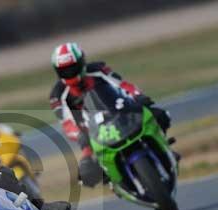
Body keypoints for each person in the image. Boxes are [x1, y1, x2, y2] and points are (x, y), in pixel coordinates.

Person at [49, 42, 176, 187]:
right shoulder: (57, 94)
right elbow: (66, 123)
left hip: (119, 111)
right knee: (86, 174)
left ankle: (164, 146)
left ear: (81, 62)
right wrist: (80, 135)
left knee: (160, 115)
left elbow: (123, 85)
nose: (70, 73)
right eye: (64, 70)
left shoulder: (98, 70)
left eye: (73, 68)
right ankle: (112, 178)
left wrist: (138, 96)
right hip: (91, 130)